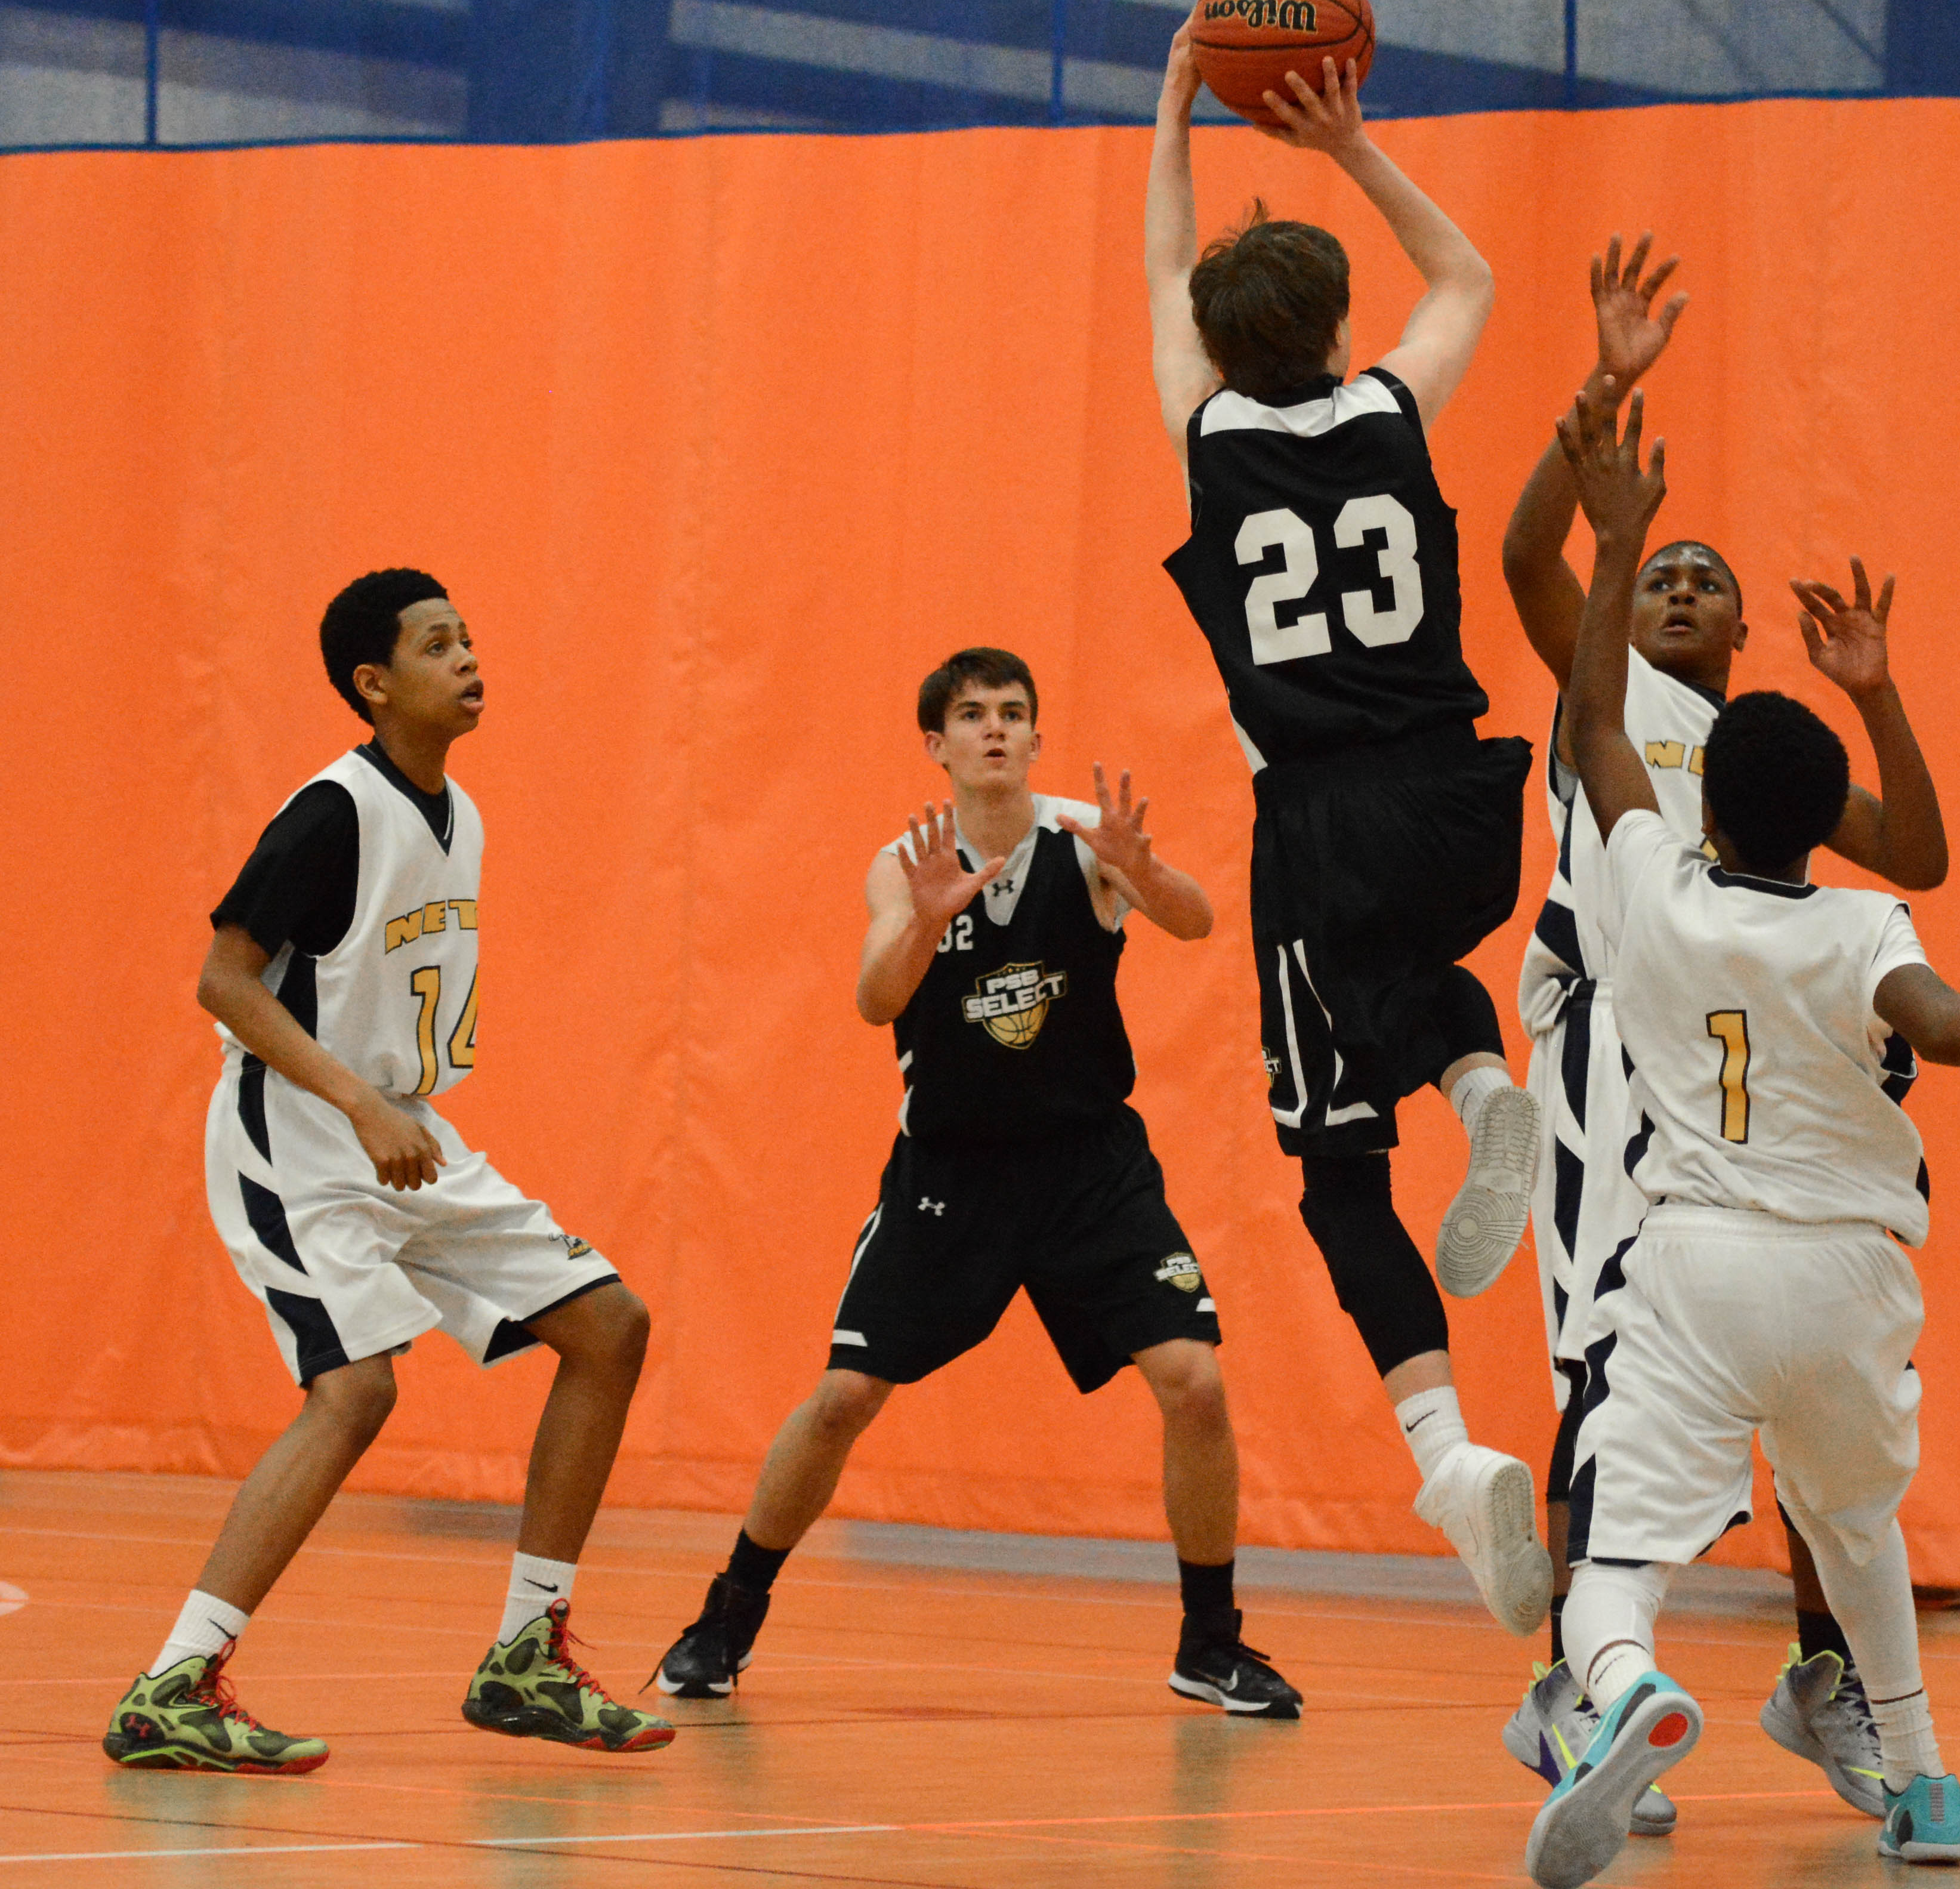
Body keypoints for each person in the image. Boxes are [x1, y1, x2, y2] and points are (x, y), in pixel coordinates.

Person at [1524, 387, 1960, 1884]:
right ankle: (1923, 1791)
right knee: (1855, 1536)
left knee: (1619, 1553)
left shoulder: (1649, 893)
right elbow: (1957, 1019)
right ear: (1821, 817)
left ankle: (1621, 1697)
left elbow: (1593, 726)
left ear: (1699, 797)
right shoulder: (1861, 924)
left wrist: (1616, 540)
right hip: (1853, 1278)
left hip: (1699, 1263)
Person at [1495, 237, 1952, 1833]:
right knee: (1610, 1374)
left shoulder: (1761, 754)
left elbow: (1911, 856)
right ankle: (1582, 1690)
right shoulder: (1599, 679)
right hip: (1618, 1041)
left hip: (1760, 1052)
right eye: (1663, 568)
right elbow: (1525, 553)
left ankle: (1824, 1675)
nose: (1679, 584)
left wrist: (1878, 693)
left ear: (1750, 633)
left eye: (1710, 579)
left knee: (1808, 1367)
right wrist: (1606, 388)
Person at [656, 650, 1301, 1716]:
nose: (995, 729)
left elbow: (1194, 923)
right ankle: (726, 1621)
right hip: (952, 1177)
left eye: (1013, 713)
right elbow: (873, 1001)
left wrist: (1146, 868)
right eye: (972, 715)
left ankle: (1209, 1640)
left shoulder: (1080, 844)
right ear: (938, 746)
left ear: (1036, 740)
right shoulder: (902, 864)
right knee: (843, 1399)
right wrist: (922, 916)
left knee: (1194, 1379)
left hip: (1089, 1169)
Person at [105, 571, 669, 1775]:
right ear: (375, 682)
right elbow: (224, 983)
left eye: (470, 636)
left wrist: (386, 1111)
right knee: (357, 1393)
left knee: (611, 1325)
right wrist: (357, 1105)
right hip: (299, 1130)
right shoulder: (332, 812)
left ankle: (526, 1655)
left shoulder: (459, 816)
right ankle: (174, 1684)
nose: (467, 657)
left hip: (404, 1129)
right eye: (436, 644)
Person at [1144, 26, 1550, 1633]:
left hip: (1317, 818)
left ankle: (1447, 1458)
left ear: (1221, 346)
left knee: (1333, 1175)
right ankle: (1477, 1073)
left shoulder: (1204, 439)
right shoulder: (1394, 409)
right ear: (1333, 329)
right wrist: (1352, 149)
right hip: (1458, 789)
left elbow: (1170, 259)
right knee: (1420, 966)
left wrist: (1174, 109)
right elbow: (1468, 280)